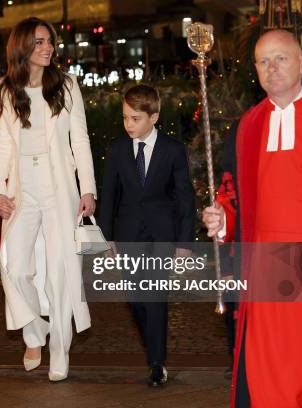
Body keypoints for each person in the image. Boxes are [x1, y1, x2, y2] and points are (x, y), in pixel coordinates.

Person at [202, 30, 302, 407]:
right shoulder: (248, 127)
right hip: (262, 266)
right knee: (263, 361)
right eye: (263, 61)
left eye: (281, 58)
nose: (272, 68)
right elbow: (232, 194)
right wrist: (222, 220)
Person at [0, 17, 97, 382]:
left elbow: (80, 139)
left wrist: (87, 189)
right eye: (39, 42)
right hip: (23, 185)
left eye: (50, 41)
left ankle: (60, 351)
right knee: (14, 267)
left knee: (59, 270)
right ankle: (35, 331)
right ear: (22, 47)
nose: (48, 47)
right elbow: (3, 141)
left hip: (59, 184)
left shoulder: (66, 85)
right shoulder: (5, 89)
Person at [98, 84, 195, 387]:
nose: (128, 124)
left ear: (154, 117)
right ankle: (154, 350)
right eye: (125, 117)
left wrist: (183, 243)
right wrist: (107, 237)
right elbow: (109, 195)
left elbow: (185, 198)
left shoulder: (173, 149)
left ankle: (157, 361)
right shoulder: (116, 150)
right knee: (134, 298)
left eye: (135, 119)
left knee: (154, 297)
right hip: (128, 234)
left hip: (162, 235)